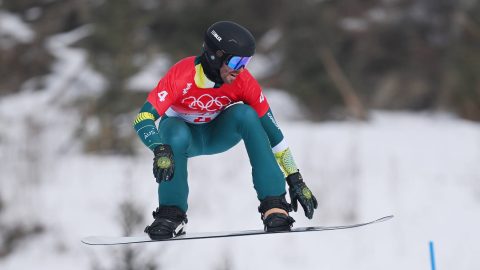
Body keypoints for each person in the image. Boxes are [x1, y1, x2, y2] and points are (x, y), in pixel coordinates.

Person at [133, 21, 317, 240]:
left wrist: (295, 177)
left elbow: (273, 132)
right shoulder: (182, 75)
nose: (241, 69)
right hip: (182, 139)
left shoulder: (243, 81)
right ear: (215, 56)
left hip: (216, 135)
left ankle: (274, 205)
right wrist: (159, 148)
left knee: (246, 114)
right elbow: (143, 118)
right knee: (173, 129)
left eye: (247, 61)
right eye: (237, 61)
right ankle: (170, 214)